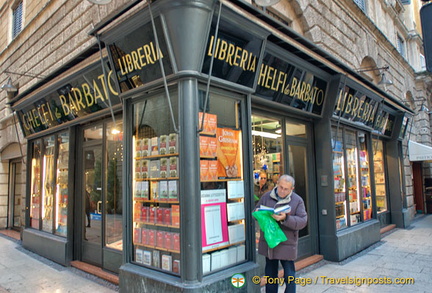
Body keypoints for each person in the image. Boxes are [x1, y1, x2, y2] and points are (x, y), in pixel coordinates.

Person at [255, 174, 307, 293]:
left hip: (286, 242)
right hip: (270, 243)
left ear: (292, 189)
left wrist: (285, 219)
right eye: (281, 187)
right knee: (270, 274)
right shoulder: (266, 196)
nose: (282, 191)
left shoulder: (297, 200)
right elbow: (256, 211)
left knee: (289, 275)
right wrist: (262, 214)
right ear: (277, 184)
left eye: (286, 189)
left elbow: (302, 221)